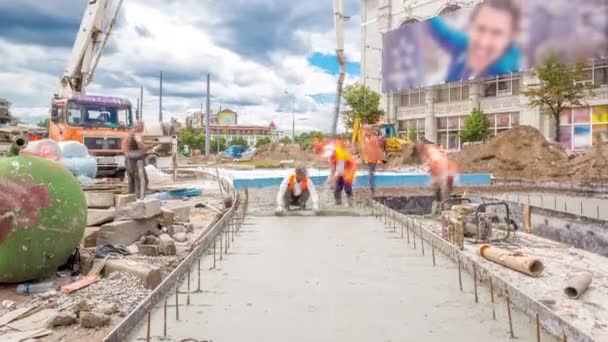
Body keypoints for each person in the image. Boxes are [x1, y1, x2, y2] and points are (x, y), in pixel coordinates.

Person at [426, 0, 521, 82]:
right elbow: (443, 33)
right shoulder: (464, 45)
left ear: (511, 37)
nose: (484, 42)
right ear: (471, 25)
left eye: (496, 33)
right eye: (481, 29)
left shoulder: (506, 78)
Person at [122, 121, 147, 200]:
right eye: (142, 126)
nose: (143, 128)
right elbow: (139, 144)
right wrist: (144, 148)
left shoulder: (129, 134)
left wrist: (126, 153)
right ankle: (138, 195)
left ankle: (131, 194)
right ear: (140, 127)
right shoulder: (137, 134)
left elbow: (124, 144)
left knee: (131, 177)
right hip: (136, 158)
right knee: (139, 177)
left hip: (128, 157)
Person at [329, 140, 357, 206]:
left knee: (348, 188)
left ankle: (351, 203)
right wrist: (332, 176)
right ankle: (338, 203)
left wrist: (350, 174)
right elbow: (333, 166)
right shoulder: (335, 156)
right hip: (339, 173)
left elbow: (353, 166)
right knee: (337, 188)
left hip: (347, 174)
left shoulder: (345, 155)